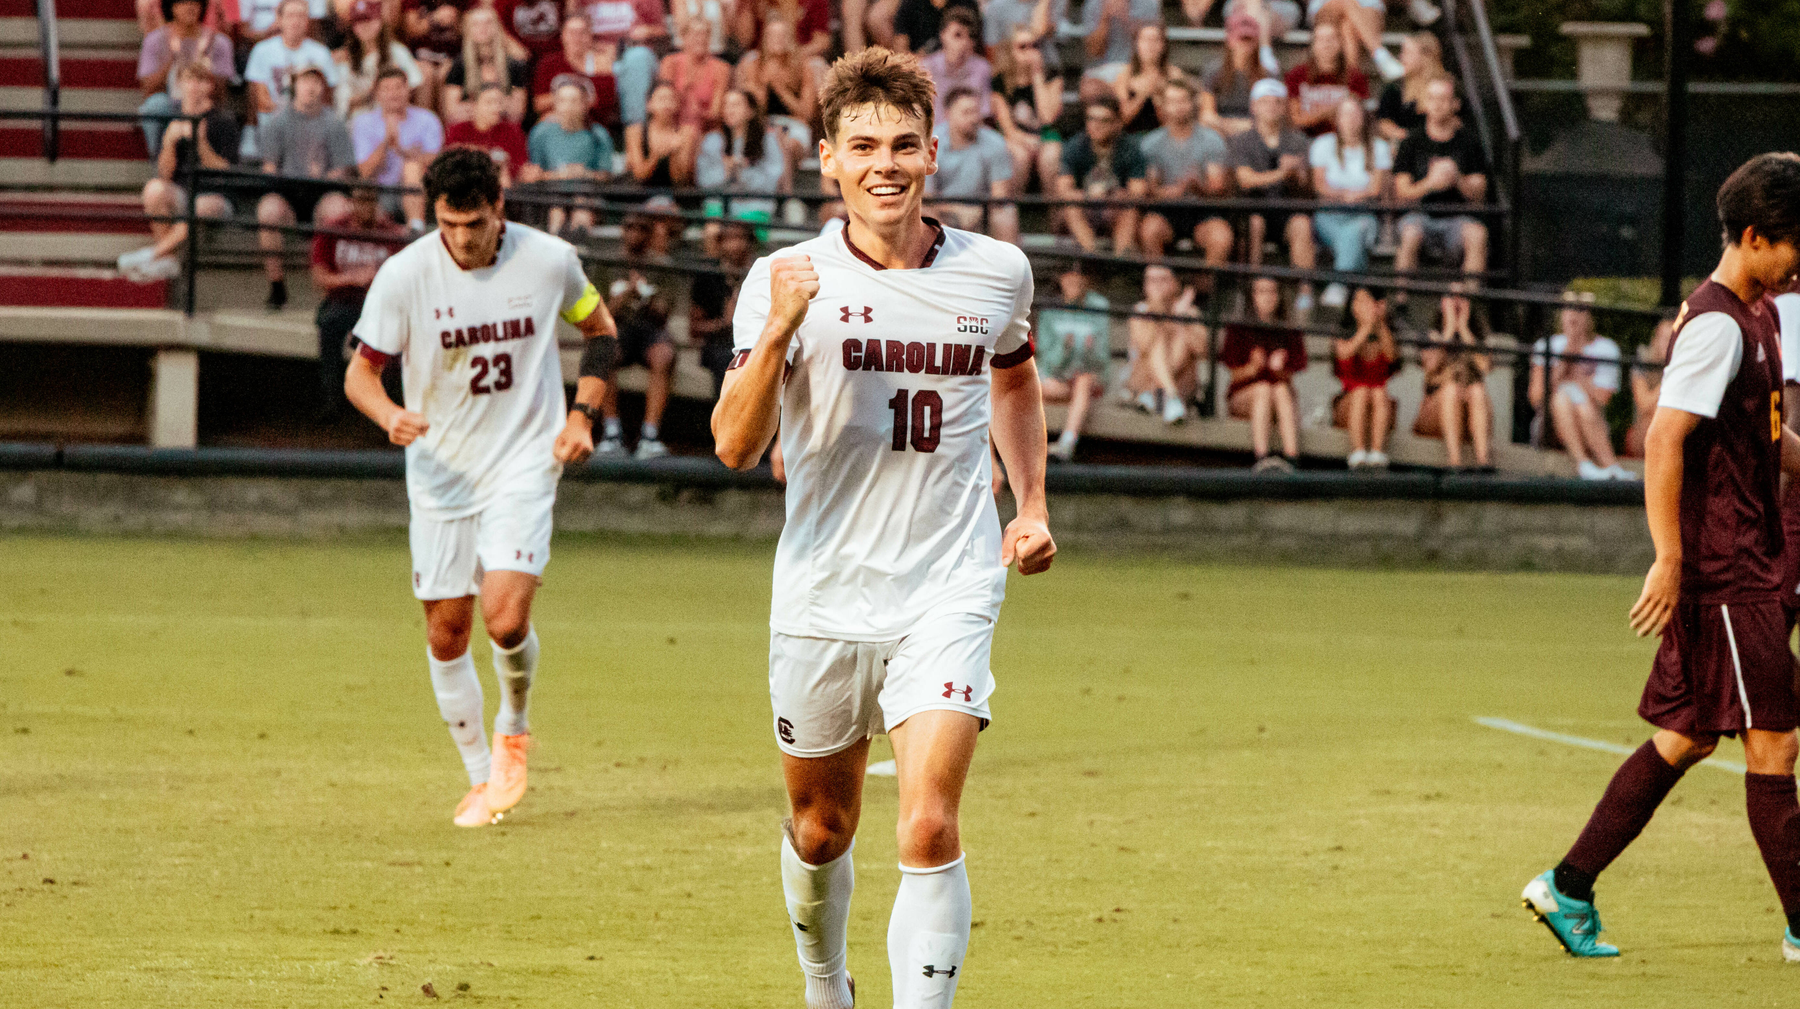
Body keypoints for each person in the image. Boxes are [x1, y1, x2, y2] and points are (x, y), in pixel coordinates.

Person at [711, 46, 1054, 1009]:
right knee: (822, 828)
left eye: (904, 144)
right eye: (862, 145)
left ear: (935, 152)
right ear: (827, 159)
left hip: (948, 582)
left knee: (929, 826)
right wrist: (778, 331)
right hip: (823, 592)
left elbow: (1016, 378)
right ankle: (826, 985)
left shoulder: (997, 273)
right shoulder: (784, 276)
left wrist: (1028, 505)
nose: (885, 164)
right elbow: (736, 447)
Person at [1520, 153, 1800, 963]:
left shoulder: (1762, 313)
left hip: (1744, 560)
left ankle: (1567, 885)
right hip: (1725, 569)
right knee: (1773, 743)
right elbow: (1662, 440)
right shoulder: (1716, 324)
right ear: (1754, 236)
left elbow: (1764, 435)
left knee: (1686, 737)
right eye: (1793, 244)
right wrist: (1669, 558)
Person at [344, 147, 620, 828]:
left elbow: (602, 331)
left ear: (500, 209)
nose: (462, 238)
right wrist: (389, 415)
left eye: (474, 222)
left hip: (523, 462)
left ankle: (514, 728)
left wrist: (583, 414)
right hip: (440, 471)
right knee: (446, 632)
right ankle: (479, 779)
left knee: (503, 616)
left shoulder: (550, 260)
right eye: (448, 224)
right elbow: (360, 374)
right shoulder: (405, 274)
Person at [118, 63, 240, 284]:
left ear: (210, 86)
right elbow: (164, 174)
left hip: (215, 195)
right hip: (182, 190)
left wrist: (201, 142)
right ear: (180, 84)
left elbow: (225, 171)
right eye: (189, 80)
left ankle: (154, 254)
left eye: (200, 80)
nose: (194, 86)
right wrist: (169, 143)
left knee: (200, 207)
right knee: (154, 189)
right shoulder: (173, 118)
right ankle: (169, 260)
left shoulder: (223, 121)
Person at [255, 64, 357, 311]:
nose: (310, 87)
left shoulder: (334, 124)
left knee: (339, 209)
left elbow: (342, 169)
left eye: (316, 82)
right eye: (305, 81)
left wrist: (319, 176)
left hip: (322, 192)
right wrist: (293, 178)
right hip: (288, 192)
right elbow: (269, 166)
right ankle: (276, 285)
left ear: (323, 87)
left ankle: (331, 289)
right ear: (295, 86)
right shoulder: (277, 123)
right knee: (268, 211)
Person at [310, 184, 406, 418]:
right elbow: (319, 276)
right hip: (343, 301)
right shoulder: (333, 230)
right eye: (361, 201)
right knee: (329, 326)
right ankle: (332, 400)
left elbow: (405, 280)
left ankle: (383, 405)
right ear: (351, 202)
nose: (365, 207)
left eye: (370, 201)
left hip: (378, 305)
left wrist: (379, 281)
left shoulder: (391, 233)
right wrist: (352, 278)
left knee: (386, 339)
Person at [1228, 78, 1316, 315]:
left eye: (1277, 102)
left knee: (1301, 224)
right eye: (1265, 102)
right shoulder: (1241, 141)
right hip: (1253, 208)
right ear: (1254, 106)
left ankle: (1305, 291)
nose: (1271, 107)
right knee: (1254, 224)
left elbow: (1307, 186)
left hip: (1286, 209)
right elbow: (1245, 179)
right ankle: (1251, 288)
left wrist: (1296, 174)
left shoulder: (1298, 140)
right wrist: (1281, 173)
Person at [596, 211, 676, 459]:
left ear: (650, 233)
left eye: (641, 228)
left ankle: (650, 436)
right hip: (617, 328)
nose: (635, 233)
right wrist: (622, 299)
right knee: (602, 352)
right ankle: (611, 434)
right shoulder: (606, 263)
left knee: (664, 355)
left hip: (651, 330)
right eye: (630, 227)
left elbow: (664, 314)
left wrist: (644, 295)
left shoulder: (662, 266)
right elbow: (598, 314)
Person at [1393, 74, 1489, 280]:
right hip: (1419, 216)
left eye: (1443, 99)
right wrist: (1430, 184)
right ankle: (1400, 302)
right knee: (1410, 234)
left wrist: (1458, 178)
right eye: (1431, 98)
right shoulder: (1411, 142)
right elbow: (1401, 193)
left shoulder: (1469, 142)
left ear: (1455, 104)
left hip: (1458, 218)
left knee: (1478, 234)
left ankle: (1467, 305)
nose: (1436, 105)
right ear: (1425, 103)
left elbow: (1480, 194)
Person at [1527, 291, 1631, 481]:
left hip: (1591, 419)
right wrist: (1565, 359)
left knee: (1578, 401)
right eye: (1569, 309)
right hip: (1548, 426)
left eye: (1580, 310)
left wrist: (1578, 376)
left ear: (1589, 316)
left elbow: (1602, 399)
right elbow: (1536, 398)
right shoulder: (1546, 346)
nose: (1574, 315)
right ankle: (1589, 463)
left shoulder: (1606, 348)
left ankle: (1602, 465)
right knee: (1561, 396)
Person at [1136, 79, 1231, 264]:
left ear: (1193, 103)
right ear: (1163, 105)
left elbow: (1217, 186)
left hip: (1204, 210)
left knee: (1220, 236)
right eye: (1172, 101)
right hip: (1166, 211)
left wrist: (1198, 187)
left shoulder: (1212, 140)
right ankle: (1159, 283)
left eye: (1183, 100)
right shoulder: (1151, 143)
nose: (1178, 106)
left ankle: (1208, 288)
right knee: (1150, 230)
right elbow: (1150, 190)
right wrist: (1174, 191)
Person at [1309, 96, 1390, 308]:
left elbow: (1376, 188)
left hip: (1364, 215)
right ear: (1336, 119)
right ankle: (1360, 295)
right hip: (1329, 216)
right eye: (1345, 114)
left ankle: (1338, 284)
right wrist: (1348, 194)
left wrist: (1344, 194)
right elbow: (1318, 185)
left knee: (1356, 230)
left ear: (1363, 118)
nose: (1351, 119)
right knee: (1354, 243)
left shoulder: (1379, 147)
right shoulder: (1323, 144)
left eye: (1355, 114)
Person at [1221, 276, 1306, 470]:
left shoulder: (1289, 329)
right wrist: (1253, 367)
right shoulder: (1238, 328)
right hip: (1245, 397)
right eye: (1261, 291)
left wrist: (1279, 370)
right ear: (1252, 296)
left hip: (1279, 397)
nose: (1268, 297)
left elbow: (1291, 376)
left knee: (1281, 390)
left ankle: (1292, 457)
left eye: (1272, 291)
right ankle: (1262, 457)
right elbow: (1234, 375)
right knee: (1263, 389)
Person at [137, 0, 235, 157]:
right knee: (154, 106)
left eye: (195, 2)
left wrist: (202, 59)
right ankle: (158, 163)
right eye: (183, 2)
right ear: (172, 7)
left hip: (205, 104)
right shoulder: (155, 40)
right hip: (170, 102)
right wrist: (172, 57)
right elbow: (148, 88)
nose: (190, 7)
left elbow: (221, 94)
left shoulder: (219, 42)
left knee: (222, 117)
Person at [351, 67, 445, 230]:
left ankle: (416, 228)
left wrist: (403, 152)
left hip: (420, 193)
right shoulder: (362, 122)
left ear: (408, 89)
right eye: (387, 88)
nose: (393, 93)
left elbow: (436, 161)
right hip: (379, 193)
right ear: (377, 93)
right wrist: (387, 143)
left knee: (411, 168)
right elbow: (364, 171)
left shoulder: (428, 119)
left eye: (398, 87)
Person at [1413, 282, 1492, 470]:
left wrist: (1464, 329)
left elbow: (1485, 367)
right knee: (1451, 390)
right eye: (1452, 297)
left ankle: (1483, 461)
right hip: (1436, 409)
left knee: (1477, 391)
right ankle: (1454, 461)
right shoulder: (1432, 334)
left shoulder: (1476, 338)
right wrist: (1448, 330)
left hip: (1469, 408)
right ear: (1443, 302)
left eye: (1462, 297)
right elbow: (1431, 368)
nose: (1457, 303)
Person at [245, 0, 342, 155]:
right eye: (290, 15)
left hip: (311, 123)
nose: (295, 21)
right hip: (273, 123)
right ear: (279, 18)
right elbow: (261, 101)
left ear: (307, 21)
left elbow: (327, 99)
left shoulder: (321, 53)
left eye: (301, 16)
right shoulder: (262, 51)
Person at [735, 14, 824, 181]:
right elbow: (753, 110)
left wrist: (780, 88)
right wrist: (764, 85)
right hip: (763, 126)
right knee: (767, 140)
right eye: (773, 36)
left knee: (784, 144)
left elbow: (806, 113)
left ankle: (786, 194)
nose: (778, 40)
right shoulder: (754, 65)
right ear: (765, 39)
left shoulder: (803, 67)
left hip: (793, 127)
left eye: (782, 35)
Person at [1037, 262, 1111, 462]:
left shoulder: (1099, 306)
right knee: (1023, 389)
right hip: (1057, 378)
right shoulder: (1049, 308)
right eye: (1069, 279)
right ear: (1061, 280)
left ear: (1087, 281)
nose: (1074, 284)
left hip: (1089, 378)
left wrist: (1088, 352)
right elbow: (1046, 359)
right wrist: (1065, 349)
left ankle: (1066, 443)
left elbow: (1102, 361)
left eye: (1079, 280)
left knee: (1084, 380)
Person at [1056, 93, 1147, 255]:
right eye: (1091, 119)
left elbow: (1138, 191)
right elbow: (1063, 190)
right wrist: (1088, 195)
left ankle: (1121, 262)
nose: (1095, 125)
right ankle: (1092, 257)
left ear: (1117, 123)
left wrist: (1111, 195)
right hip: (1085, 208)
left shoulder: (1130, 147)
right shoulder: (1075, 146)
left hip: (1117, 207)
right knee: (1071, 206)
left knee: (1130, 209)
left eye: (1103, 120)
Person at [523, 78, 617, 233]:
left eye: (574, 101)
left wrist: (584, 173)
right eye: (563, 101)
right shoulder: (540, 133)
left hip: (586, 195)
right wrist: (561, 174)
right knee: (557, 212)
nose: (568, 107)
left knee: (581, 210)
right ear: (555, 104)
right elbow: (533, 174)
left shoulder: (598, 134)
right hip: (550, 196)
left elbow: (606, 175)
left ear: (584, 104)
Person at [926, 87, 1017, 243]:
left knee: (1006, 213)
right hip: (941, 210)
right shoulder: (932, 143)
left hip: (983, 210)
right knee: (923, 211)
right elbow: (925, 197)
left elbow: (999, 196)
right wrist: (955, 210)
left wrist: (979, 211)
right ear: (948, 114)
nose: (974, 118)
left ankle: (1009, 265)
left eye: (976, 112)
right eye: (966, 112)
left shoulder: (995, 142)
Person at [1126, 264, 1208, 423]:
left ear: (1175, 284)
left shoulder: (1189, 311)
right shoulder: (1140, 310)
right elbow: (1144, 346)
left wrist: (1181, 319)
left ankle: (1165, 394)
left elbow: (1202, 350)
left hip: (1180, 385)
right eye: (1151, 281)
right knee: (1156, 342)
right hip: (1145, 382)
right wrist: (1156, 315)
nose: (1157, 286)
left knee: (1182, 338)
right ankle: (1170, 396)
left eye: (1162, 280)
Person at [988, 25, 1063, 195]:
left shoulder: (1052, 77)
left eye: (1034, 46)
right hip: (1014, 137)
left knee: (1050, 158)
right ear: (1010, 51)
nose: (1030, 51)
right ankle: (1010, 212)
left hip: (1046, 135)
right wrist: (1028, 141)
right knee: (1019, 157)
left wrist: (1037, 75)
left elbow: (1047, 118)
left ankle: (1054, 217)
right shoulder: (999, 81)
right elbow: (1008, 129)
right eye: (1022, 47)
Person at [698, 88, 788, 221]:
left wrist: (744, 172)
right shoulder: (713, 140)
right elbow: (703, 180)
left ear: (750, 111)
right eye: (726, 105)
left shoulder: (767, 140)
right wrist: (726, 171)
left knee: (738, 230)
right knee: (714, 229)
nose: (730, 110)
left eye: (736, 105)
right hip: (719, 204)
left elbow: (772, 181)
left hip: (755, 205)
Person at [1333, 284, 1397, 469]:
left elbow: (1391, 356)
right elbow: (1344, 355)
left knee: (1377, 392)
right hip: (1350, 400)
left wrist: (1380, 324)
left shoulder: (1387, 332)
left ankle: (1377, 453)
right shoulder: (1343, 331)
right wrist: (1365, 327)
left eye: (1368, 301)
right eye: (1359, 301)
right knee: (1361, 392)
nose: (1363, 306)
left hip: (1379, 401)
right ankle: (1358, 452)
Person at [690, 218, 757, 394]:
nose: (735, 245)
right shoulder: (708, 276)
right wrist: (723, 324)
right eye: (729, 239)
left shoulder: (761, 274)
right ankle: (725, 420)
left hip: (755, 341)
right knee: (728, 359)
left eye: (741, 238)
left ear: (750, 243)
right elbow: (694, 329)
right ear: (720, 243)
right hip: (718, 344)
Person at [335, 0, 425, 118]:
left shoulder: (396, 51)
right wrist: (369, 93)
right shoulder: (346, 57)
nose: (365, 26)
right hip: (360, 120)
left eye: (369, 20)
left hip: (394, 116)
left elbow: (415, 82)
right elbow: (343, 102)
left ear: (380, 21)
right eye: (359, 21)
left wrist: (391, 87)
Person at [530, 15, 621, 131]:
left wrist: (562, 99)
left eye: (582, 33)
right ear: (563, 36)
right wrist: (577, 95)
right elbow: (539, 104)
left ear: (590, 37)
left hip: (589, 128)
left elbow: (604, 104)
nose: (576, 38)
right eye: (571, 32)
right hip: (555, 125)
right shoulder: (549, 63)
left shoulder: (602, 65)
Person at [442, 6, 529, 123]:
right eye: (476, 24)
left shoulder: (513, 65)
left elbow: (517, 113)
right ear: (468, 29)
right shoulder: (459, 65)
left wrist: (476, 107)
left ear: (497, 27)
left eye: (488, 23)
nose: (482, 28)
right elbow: (451, 113)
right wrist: (495, 106)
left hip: (503, 128)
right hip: (470, 128)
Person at [582, 0, 663, 125]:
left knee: (637, 58)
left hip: (633, 53)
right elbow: (573, 29)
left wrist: (647, 31)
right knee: (594, 62)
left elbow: (662, 29)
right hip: (595, 54)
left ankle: (635, 127)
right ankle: (591, 125)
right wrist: (598, 48)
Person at [1283, 19, 1368, 137]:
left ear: (1341, 43)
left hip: (1343, 140)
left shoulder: (1354, 76)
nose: (1326, 44)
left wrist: (1317, 115)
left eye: (1332, 39)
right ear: (1313, 44)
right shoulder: (1297, 75)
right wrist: (1330, 111)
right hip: (1306, 139)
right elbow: (1296, 120)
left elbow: (1358, 120)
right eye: (1321, 40)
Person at [1200, 11, 1276, 137]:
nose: (1244, 45)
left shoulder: (1267, 75)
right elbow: (1206, 115)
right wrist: (1229, 126)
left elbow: (1272, 114)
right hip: (1221, 131)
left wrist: (1246, 127)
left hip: (1256, 133)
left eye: (1249, 39)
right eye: (1241, 39)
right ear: (1230, 40)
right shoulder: (1214, 71)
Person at [445, 84, 530, 184]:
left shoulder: (513, 131)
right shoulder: (457, 130)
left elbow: (521, 167)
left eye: (499, 103)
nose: (496, 108)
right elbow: (451, 163)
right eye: (489, 103)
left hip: (507, 189)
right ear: (474, 105)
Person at [658, 17, 732, 131]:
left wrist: (697, 113)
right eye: (696, 34)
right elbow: (663, 103)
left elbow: (715, 113)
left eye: (705, 34)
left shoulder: (721, 68)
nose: (701, 39)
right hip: (673, 127)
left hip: (706, 129)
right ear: (684, 37)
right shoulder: (670, 63)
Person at [920, 8, 991, 122]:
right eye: (957, 35)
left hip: (970, 134)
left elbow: (983, 113)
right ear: (942, 35)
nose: (964, 43)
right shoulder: (926, 68)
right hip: (936, 134)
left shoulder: (982, 68)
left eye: (970, 36)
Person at [1113, 22, 1183, 137]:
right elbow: (1122, 119)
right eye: (1145, 40)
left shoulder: (1174, 75)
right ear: (1137, 44)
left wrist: (1158, 97)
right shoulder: (1125, 75)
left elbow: (1176, 121)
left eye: (1155, 40)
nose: (1150, 45)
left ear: (1163, 45)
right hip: (1131, 136)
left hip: (1163, 137)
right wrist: (1142, 94)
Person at [625, 81, 699, 187]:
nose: (666, 104)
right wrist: (656, 155)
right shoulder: (635, 131)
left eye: (670, 99)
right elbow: (640, 175)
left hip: (674, 194)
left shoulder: (686, 133)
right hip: (642, 194)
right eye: (661, 99)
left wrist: (674, 154)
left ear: (677, 104)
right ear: (649, 104)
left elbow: (680, 180)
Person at [1373, 31, 1442, 143]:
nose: (1401, 57)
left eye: (1407, 52)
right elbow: (1384, 122)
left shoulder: (1444, 87)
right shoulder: (1395, 87)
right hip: (1408, 147)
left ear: (1425, 56)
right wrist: (1406, 137)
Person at [1626, 315, 1676, 459]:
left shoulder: (1686, 364)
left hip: (1671, 429)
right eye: (1664, 338)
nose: (1668, 344)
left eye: (1672, 339)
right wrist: (1671, 375)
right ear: (1655, 339)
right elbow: (1644, 404)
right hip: (1642, 431)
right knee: (1656, 414)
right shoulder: (1643, 359)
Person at [1079, 0, 1162, 84]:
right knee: (1090, 91)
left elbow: (1151, 42)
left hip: (1138, 70)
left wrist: (1123, 15)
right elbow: (1093, 51)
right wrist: (1105, 16)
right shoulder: (1094, 3)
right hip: (1101, 69)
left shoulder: (1149, 3)